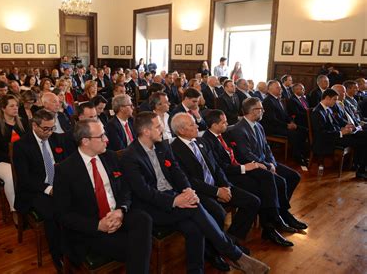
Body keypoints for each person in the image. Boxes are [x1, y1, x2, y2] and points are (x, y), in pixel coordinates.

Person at [120, 111, 270, 274]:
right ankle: (234, 254)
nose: (163, 128)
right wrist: (176, 201)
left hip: (174, 196)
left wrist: (188, 189)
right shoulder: (130, 156)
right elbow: (144, 192)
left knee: (195, 229)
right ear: (146, 131)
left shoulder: (162, 146)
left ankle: (198, 269)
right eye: (158, 126)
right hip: (152, 207)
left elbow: (177, 172)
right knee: (196, 206)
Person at [53, 119, 153, 273]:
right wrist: (98, 225)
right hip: (91, 225)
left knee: (144, 218)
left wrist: (120, 210)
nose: (107, 139)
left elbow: (126, 188)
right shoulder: (65, 170)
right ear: (85, 141)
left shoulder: (110, 157)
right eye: (101, 136)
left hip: (116, 214)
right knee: (136, 246)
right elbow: (63, 214)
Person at [170, 113, 260, 270]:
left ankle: (230, 240)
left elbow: (216, 167)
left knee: (253, 201)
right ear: (182, 130)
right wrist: (216, 192)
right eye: (192, 125)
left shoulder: (200, 141)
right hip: (201, 191)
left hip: (219, 185)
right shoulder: (174, 150)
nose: (198, 126)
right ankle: (212, 253)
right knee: (218, 213)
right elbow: (190, 181)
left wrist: (225, 186)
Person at [202, 110, 299, 247]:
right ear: (213, 125)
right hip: (229, 176)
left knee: (266, 177)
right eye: (223, 122)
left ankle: (272, 221)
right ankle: (271, 222)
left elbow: (236, 154)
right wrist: (244, 168)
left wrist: (251, 165)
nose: (227, 124)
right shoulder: (207, 140)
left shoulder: (225, 134)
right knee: (261, 190)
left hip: (239, 168)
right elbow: (220, 167)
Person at [227, 97, 308, 230]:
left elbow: (267, 147)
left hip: (266, 162)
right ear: (253, 111)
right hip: (253, 166)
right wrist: (266, 164)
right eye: (261, 109)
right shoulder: (239, 129)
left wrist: (272, 163)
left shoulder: (258, 125)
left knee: (294, 176)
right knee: (280, 182)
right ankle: (277, 216)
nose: (263, 111)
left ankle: (282, 211)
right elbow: (246, 155)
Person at [13, 110, 73, 271]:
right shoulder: (21, 145)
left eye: (52, 128)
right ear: (34, 125)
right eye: (45, 129)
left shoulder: (56, 138)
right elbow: (25, 179)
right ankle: (57, 255)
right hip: (36, 190)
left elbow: (66, 163)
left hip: (58, 185)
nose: (49, 132)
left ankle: (74, 246)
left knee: (78, 201)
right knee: (53, 213)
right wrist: (49, 189)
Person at [312, 88, 367, 179]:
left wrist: (346, 127)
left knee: (364, 135)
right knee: (363, 142)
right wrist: (340, 132)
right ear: (327, 98)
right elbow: (321, 134)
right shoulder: (317, 112)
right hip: (330, 139)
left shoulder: (328, 109)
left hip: (337, 134)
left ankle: (360, 166)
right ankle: (360, 170)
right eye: (334, 99)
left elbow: (335, 123)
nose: (336, 101)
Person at [0, 95, 27, 215]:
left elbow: (29, 144)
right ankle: (15, 210)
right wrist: (14, 160)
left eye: (16, 105)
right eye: (12, 106)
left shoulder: (23, 123)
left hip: (20, 160)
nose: (16, 108)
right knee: (11, 177)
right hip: (0, 161)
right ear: (3, 108)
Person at [261, 80, 308, 166]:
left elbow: (285, 115)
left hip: (280, 125)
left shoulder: (277, 99)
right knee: (295, 133)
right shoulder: (268, 101)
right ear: (270, 89)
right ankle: (297, 157)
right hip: (272, 127)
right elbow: (272, 119)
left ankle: (302, 153)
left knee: (303, 130)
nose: (281, 90)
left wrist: (291, 122)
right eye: (278, 88)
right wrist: (287, 125)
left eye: (280, 88)